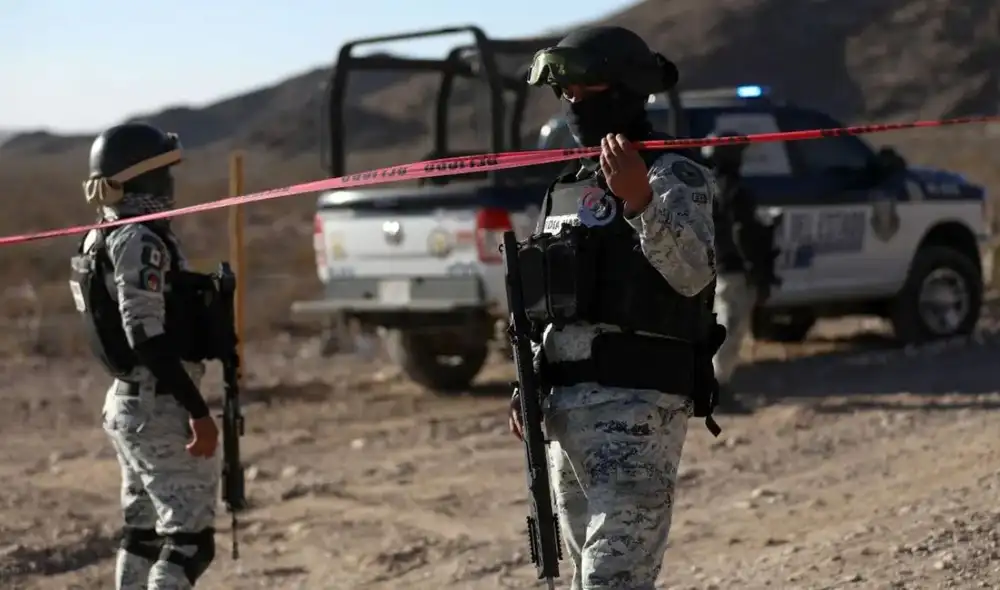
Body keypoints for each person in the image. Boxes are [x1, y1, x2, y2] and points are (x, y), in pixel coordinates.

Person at [508, 26, 724, 590]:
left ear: (626, 88)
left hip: (637, 408)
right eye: (566, 91)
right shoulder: (564, 189)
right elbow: (543, 305)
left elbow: (694, 273)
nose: (573, 101)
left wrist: (641, 202)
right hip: (565, 409)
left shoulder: (672, 173)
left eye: (586, 87)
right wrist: (527, 378)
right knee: (584, 573)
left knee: (615, 578)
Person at [69, 122, 220, 590]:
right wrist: (198, 412)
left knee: (143, 534)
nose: (171, 187)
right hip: (156, 406)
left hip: (128, 401)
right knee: (189, 543)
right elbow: (145, 335)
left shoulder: (100, 234)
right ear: (143, 180)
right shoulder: (138, 239)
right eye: (164, 176)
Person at [702, 133, 781, 407]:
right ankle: (717, 390)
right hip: (732, 270)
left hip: (714, 268)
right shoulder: (733, 189)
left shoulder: (706, 187)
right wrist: (756, 268)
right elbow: (742, 232)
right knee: (731, 328)